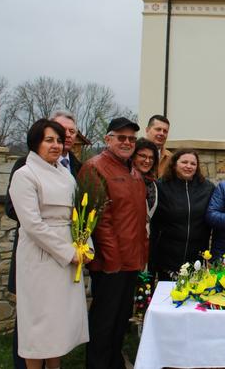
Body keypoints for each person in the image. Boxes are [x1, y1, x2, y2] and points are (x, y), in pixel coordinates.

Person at [8, 119, 89, 369]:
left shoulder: (65, 175)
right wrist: (68, 252)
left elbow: (80, 214)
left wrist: (86, 246)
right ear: (35, 143)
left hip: (68, 256)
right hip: (40, 258)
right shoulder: (25, 175)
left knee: (59, 323)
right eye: (48, 140)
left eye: (58, 140)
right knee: (39, 325)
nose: (55, 145)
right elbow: (32, 225)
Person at [79, 117, 147, 369]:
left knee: (120, 319)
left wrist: (140, 256)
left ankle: (114, 362)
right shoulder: (95, 167)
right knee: (103, 322)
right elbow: (100, 221)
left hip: (131, 260)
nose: (127, 142)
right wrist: (112, 261)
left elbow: (138, 219)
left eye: (131, 139)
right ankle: (97, 364)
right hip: (111, 263)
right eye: (121, 137)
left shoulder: (133, 171)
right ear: (108, 139)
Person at [149, 149, 215, 280]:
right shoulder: (161, 186)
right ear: (174, 164)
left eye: (193, 163)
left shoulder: (207, 188)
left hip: (196, 255)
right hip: (168, 255)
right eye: (184, 162)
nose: (188, 166)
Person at [131, 138, 160, 221]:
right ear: (133, 156)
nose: (147, 161)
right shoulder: (124, 180)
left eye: (151, 158)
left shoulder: (152, 183)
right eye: (143, 156)